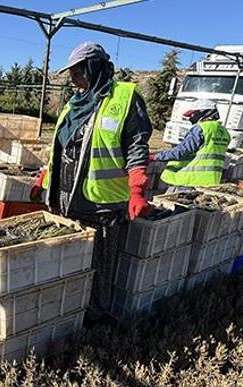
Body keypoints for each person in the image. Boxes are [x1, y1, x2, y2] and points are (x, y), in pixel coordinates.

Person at [30, 41, 153, 324]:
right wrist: (43, 179)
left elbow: (137, 145)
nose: (73, 80)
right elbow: (61, 149)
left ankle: (96, 321)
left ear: (93, 67)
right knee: (70, 264)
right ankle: (68, 316)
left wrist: (136, 190)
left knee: (99, 266)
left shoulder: (124, 97)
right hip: (67, 200)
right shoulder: (75, 104)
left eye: (77, 72)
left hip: (101, 204)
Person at [154, 99, 230, 192]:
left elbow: (182, 151)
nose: (190, 118)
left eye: (192, 114)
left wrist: (156, 156)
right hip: (212, 180)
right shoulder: (223, 131)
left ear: (202, 113)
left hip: (190, 180)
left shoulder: (201, 129)